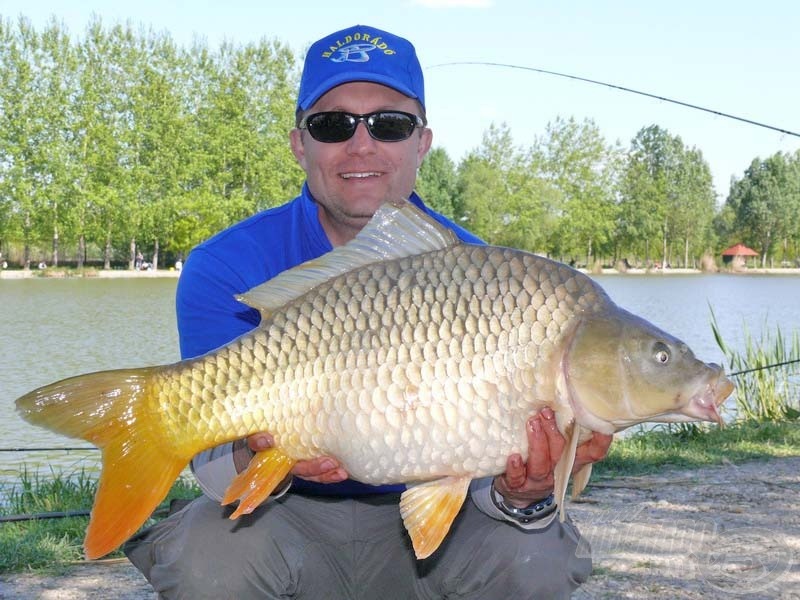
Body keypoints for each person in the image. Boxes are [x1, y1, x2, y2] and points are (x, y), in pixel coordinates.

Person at [124, 24, 612, 599]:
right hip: (285, 520)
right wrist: (253, 452)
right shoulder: (226, 265)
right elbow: (210, 467)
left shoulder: (490, 278)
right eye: (333, 125)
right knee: (208, 555)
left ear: (422, 142)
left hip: (441, 527)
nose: (361, 146)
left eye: (389, 124)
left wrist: (524, 493)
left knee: (537, 554)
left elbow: (483, 471)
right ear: (299, 144)